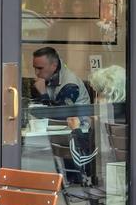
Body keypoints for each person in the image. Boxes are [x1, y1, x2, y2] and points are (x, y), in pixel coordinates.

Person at [29, 46, 94, 182]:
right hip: (62, 131)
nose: (36, 72)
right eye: (35, 68)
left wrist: (43, 93)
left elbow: (59, 114)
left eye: (40, 68)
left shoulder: (70, 83)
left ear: (54, 65)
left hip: (79, 133)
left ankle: (73, 179)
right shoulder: (47, 78)